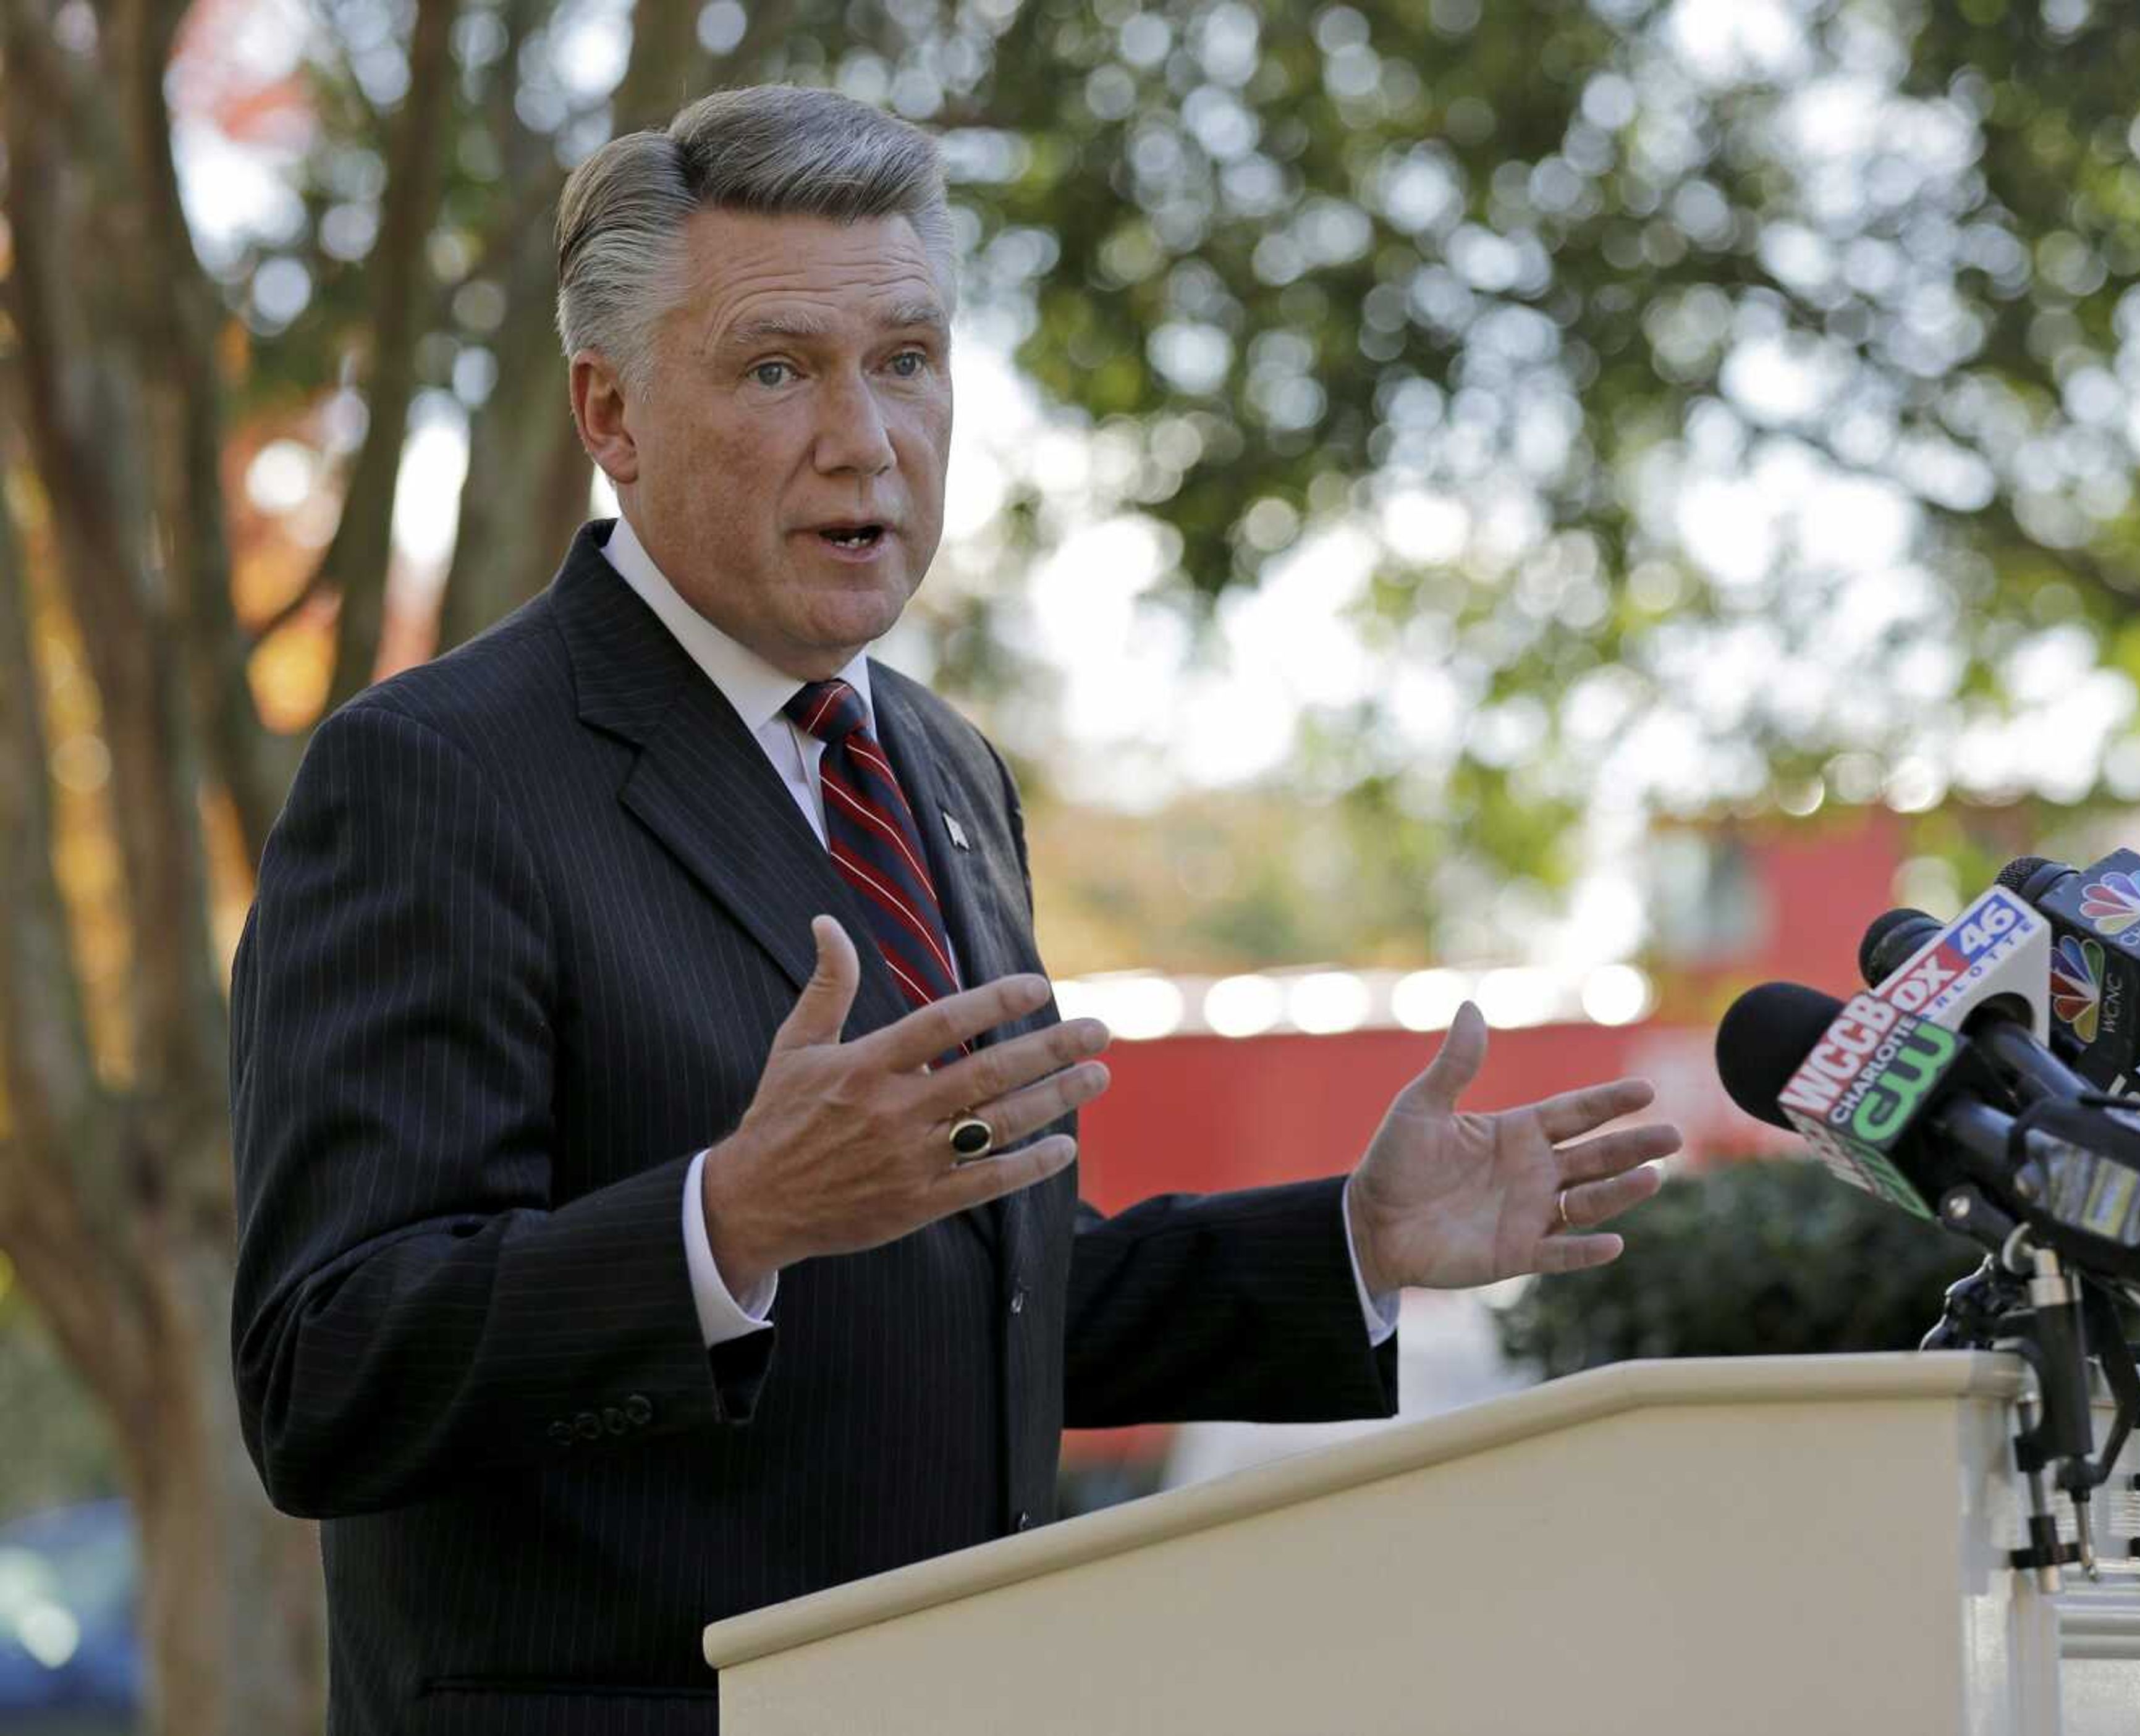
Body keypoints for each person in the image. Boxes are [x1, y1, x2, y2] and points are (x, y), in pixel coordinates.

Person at [228, 83, 1677, 1735]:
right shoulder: (433, 778)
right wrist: (728, 1218)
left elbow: (992, 1304)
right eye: (779, 369)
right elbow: (323, 1371)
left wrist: (1349, 1240)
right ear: (609, 414)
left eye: (906, 360)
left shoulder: (939, 767)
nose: (865, 435)